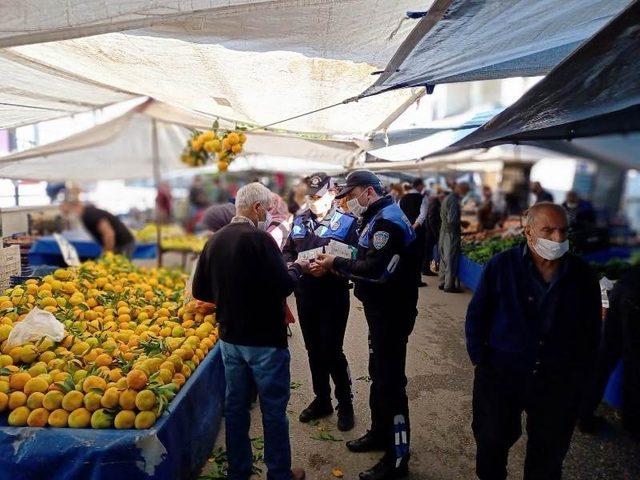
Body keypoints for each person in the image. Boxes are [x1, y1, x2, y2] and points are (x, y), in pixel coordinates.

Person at [465, 202, 601, 480]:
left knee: (548, 454)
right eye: (548, 230)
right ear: (528, 233)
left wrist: (580, 379)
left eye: (563, 231)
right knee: (492, 442)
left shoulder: (582, 275)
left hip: (556, 380)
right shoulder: (501, 266)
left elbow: (590, 331)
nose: (558, 239)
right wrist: (482, 361)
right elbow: (477, 316)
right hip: (502, 375)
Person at [192, 182, 308, 480]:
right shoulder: (260, 240)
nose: (268, 215)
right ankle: (280, 473)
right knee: (272, 411)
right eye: (267, 210)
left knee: (236, 409)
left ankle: (238, 471)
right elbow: (284, 284)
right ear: (257, 208)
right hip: (265, 341)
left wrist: (230, 295)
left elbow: (200, 290)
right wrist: (297, 267)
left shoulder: (214, 241)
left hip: (231, 339)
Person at [315, 170, 418, 480]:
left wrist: (336, 263)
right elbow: (366, 253)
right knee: (379, 376)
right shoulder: (377, 216)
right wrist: (339, 255)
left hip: (392, 314)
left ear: (369, 192)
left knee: (391, 383)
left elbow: (376, 270)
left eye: (352, 195)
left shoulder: (387, 221)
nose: (349, 202)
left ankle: (398, 457)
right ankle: (379, 432)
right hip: (380, 311)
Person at [282, 172, 359, 432]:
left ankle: (345, 403)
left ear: (332, 193)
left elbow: (357, 261)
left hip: (333, 295)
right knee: (314, 350)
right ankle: (322, 399)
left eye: (318, 196)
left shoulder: (348, 223)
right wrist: (294, 265)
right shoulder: (299, 221)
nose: (313, 201)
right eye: (309, 197)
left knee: (332, 351)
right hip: (306, 294)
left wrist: (332, 268)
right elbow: (287, 253)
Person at [579, 263, 640, 439]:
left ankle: (584, 415)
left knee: (604, 356)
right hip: (635, 298)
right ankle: (633, 424)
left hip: (622, 289)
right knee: (634, 364)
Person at [61, 201, 136, 257]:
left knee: (120, 270)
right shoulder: (87, 213)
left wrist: (107, 253)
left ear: (75, 207)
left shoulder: (90, 215)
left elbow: (109, 234)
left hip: (123, 244)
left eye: (67, 212)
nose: (67, 215)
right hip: (120, 243)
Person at [438, 182, 469, 293]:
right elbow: (452, 220)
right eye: (465, 191)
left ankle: (442, 282)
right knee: (450, 258)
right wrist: (460, 224)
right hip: (450, 233)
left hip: (444, 231)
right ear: (460, 189)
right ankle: (449, 285)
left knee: (443, 258)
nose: (465, 194)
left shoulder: (448, 198)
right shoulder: (454, 200)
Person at [399, 178, 429, 287]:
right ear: (420, 186)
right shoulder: (423, 198)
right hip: (418, 232)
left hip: (405, 230)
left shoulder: (402, 198)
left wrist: (406, 227)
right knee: (418, 255)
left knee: (407, 254)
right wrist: (414, 227)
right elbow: (422, 216)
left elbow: (399, 214)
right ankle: (417, 280)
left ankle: (406, 278)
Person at [423, 188, 446, 276]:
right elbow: (432, 219)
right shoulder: (435, 204)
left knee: (428, 251)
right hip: (430, 232)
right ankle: (425, 269)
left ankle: (425, 269)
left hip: (429, 231)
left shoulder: (434, 202)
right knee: (428, 251)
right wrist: (436, 233)